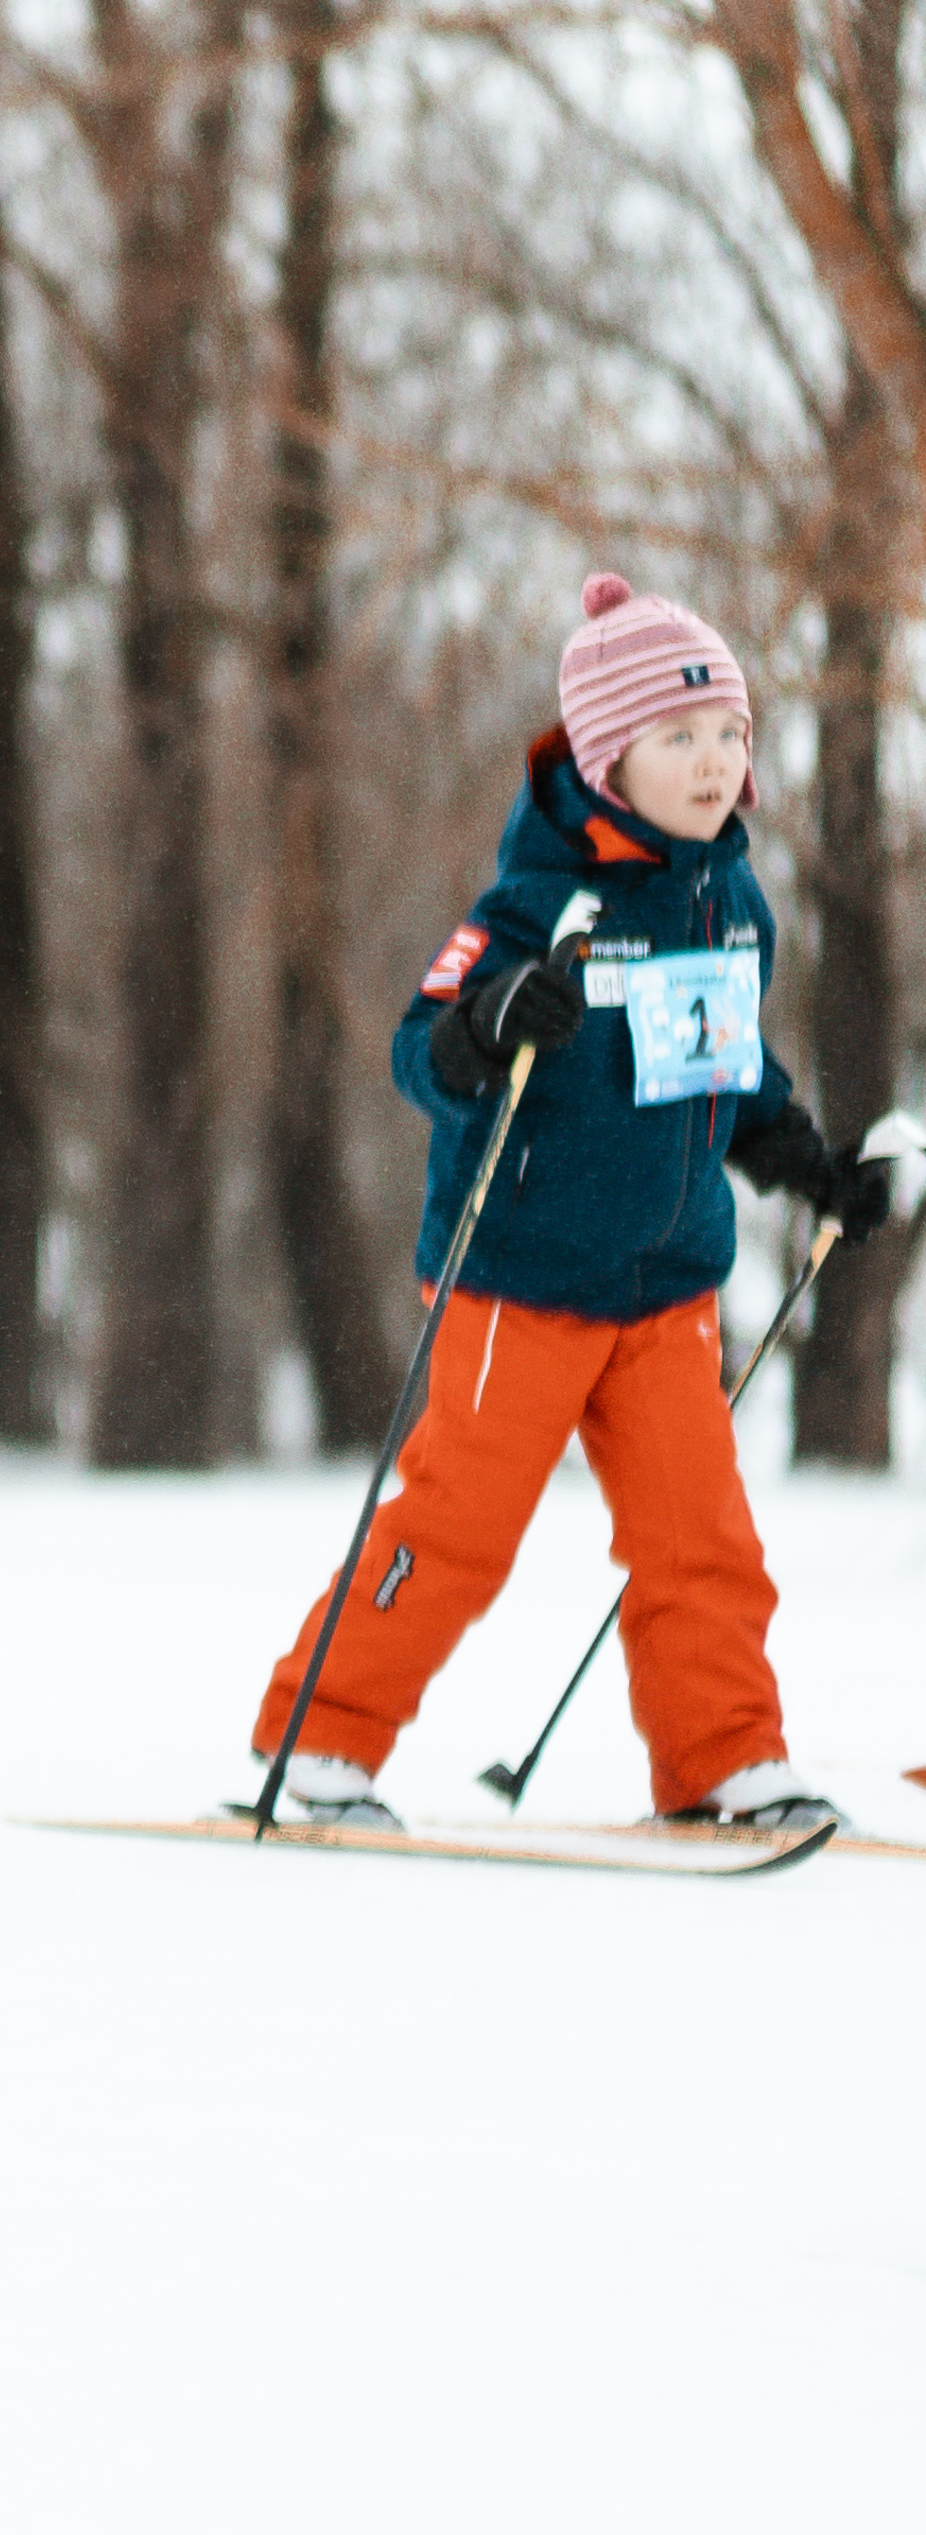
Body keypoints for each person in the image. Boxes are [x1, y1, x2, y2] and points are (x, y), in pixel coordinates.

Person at [247, 573, 894, 1833]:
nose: (713, 766)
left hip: (664, 1292)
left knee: (697, 1542)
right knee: (455, 1529)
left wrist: (810, 1166)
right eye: (677, 739)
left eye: (728, 737)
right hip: (517, 1283)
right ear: (606, 759)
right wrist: (489, 1022)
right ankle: (317, 1746)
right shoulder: (537, 908)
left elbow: (727, 1073)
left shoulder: (729, 902)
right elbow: (418, 1047)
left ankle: (721, 1764)